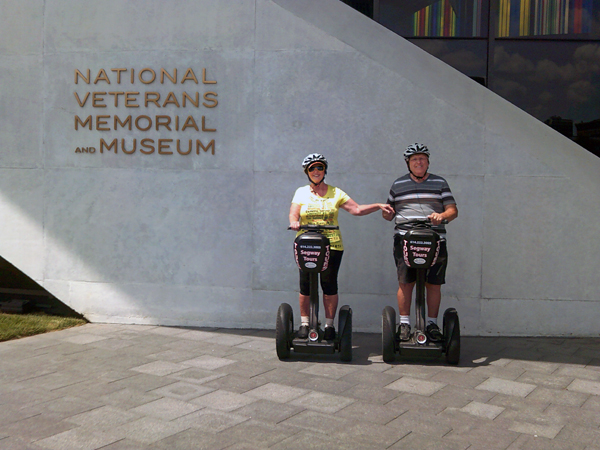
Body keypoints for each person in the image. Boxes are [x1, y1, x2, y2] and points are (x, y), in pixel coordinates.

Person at [289, 153, 394, 340]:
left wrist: (378, 205)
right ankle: (305, 324)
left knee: (329, 284)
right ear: (307, 171)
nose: (316, 171)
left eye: (319, 167)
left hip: (332, 244)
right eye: (312, 168)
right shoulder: (301, 192)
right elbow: (293, 214)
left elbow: (357, 209)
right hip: (306, 243)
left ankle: (329, 325)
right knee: (305, 284)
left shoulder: (336, 192)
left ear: (324, 170)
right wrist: (295, 222)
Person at [382, 144, 458, 342]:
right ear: (408, 163)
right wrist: (386, 212)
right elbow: (388, 213)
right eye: (414, 159)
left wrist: (441, 216)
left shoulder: (440, 183)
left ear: (428, 162)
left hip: (435, 240)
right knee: (406, 282)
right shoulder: (398, 184)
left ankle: (431, 323)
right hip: (405, 239)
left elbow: (452, 210)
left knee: (433, 284)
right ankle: (405, 324)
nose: (419, 162)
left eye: (422, 159)